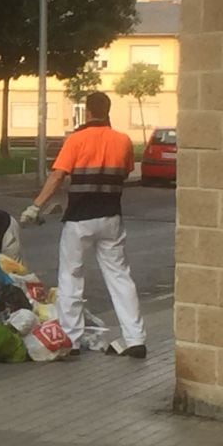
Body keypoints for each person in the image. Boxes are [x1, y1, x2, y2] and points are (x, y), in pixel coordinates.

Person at [20, 92, 146, 358]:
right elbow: (124, 172)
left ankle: (72, 340)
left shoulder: (76, 140)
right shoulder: (123, 140)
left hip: (79, 220)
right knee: (120, 277)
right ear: (107, 111)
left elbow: (57, 176)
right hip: (111, 218)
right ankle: (135, 339)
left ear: (87, 112)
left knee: (71, 277)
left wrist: (36, 206)